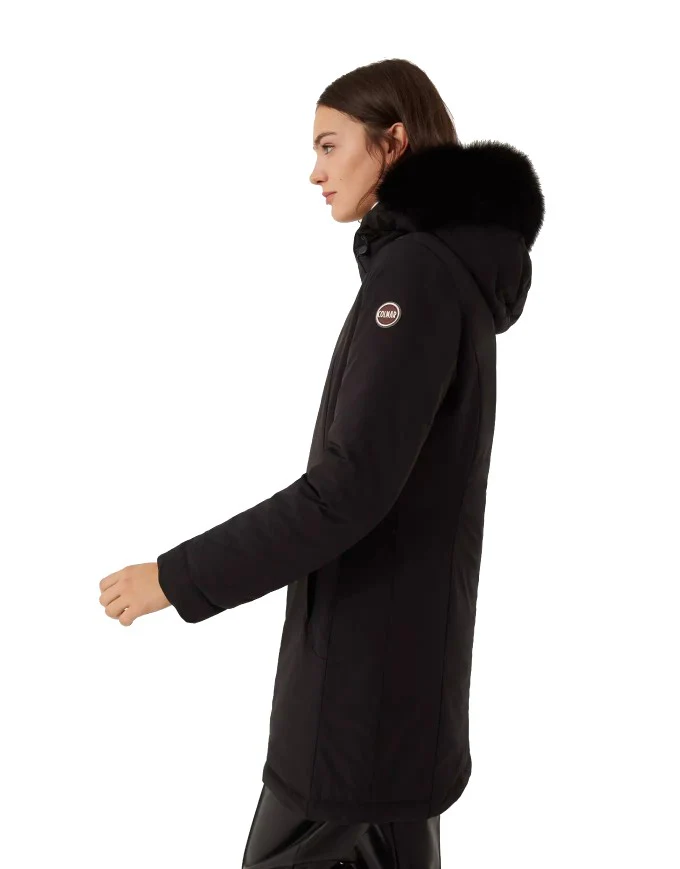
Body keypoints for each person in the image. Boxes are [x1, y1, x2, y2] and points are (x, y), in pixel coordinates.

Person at [98, 58, 545, 868]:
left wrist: (175, 577)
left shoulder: (415, 276)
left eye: (330, 145)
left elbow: (346, 490)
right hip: (399, 686)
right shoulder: (445, 274)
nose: (314, 171)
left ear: (393, 143)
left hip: (357, 702)